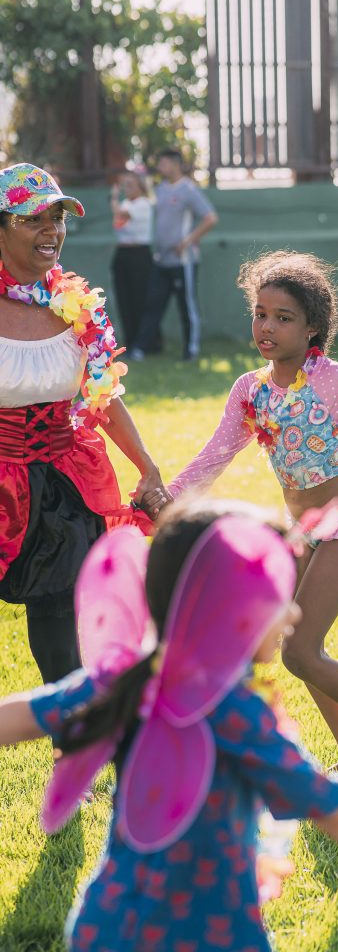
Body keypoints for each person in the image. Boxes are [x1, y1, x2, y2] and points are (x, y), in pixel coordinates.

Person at [0, 497, 338, 951]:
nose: (292, 613)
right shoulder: (232, 712)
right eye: (276, 596)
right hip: (211, 934)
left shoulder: (129, 677)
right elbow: (326, 802)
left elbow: (22, 717)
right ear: (229, 606)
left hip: (106, 926)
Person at [145, 251, 338, 777]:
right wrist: (168, 501)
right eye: (260, 314)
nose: (267, 327)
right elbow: (215, 454)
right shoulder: (249, 391)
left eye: (283, 318)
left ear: (313, 326)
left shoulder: (335, 380)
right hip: (301, 533)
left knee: (299, 651)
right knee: (299, 643)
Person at [0, 162, 164, 684]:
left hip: (62, 482)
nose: (52, 231)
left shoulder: (77, 308)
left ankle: (74, 746)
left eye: (58, 218)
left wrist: (146, 465)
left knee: (56, 622)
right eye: (34, 220)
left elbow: (103, 397)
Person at [129, 148, 217, 362]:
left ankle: (191, 349)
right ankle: (141, 348)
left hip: (183, 261)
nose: (160, 167)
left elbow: (210, 218)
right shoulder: (160, 190)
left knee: (186, 305)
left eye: (164, 163)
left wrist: (187, 241)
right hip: (162, 260)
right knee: (153, 304)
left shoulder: (188, 190)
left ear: (175, 164)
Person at [109, 169, 155, 350]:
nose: (126, 188)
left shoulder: (143, 203)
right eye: (124, 185)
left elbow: (121, 215)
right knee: (124, 300)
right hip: (123, 254)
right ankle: (131, 341)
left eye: (130, 185)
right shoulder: (127, 203)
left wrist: (113, 199)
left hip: (139, 255)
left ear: (140, 187)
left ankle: (146, 343)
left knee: (140, 299)